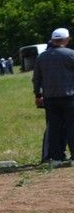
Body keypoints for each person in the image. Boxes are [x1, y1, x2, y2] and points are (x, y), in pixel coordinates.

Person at [32, 27, 74, 166]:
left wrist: (38, 95)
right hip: (70, 97)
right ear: (66, 39)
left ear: (53, 40)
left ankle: (56, 158)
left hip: (50, 98)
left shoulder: (41, 57)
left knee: (54, 128)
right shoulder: (71, 54)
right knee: (71, 126)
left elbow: (36, 78)